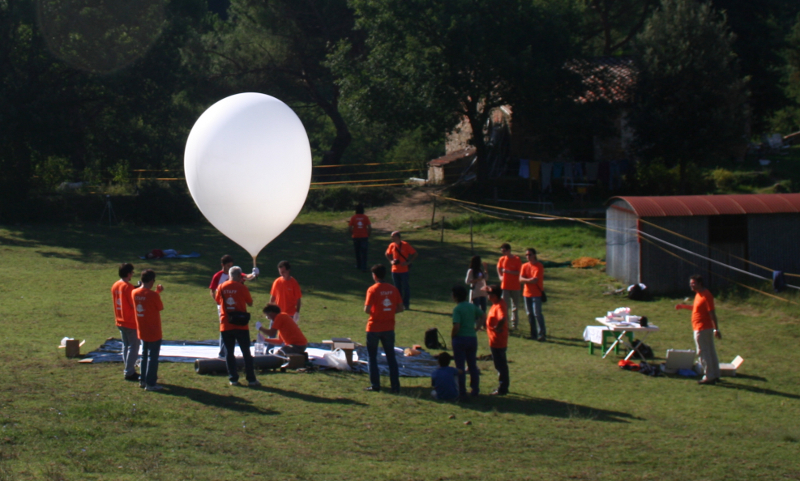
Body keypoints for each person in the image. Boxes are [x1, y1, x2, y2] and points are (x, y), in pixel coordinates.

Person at [215, 266, 260, 387]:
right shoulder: (242, 287)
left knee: (229, 352)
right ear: (240, 276)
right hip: (241, 324)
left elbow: (217, 300)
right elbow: (250, 303)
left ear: (229, 275)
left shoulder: (221, 286)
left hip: (226, 323)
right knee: (246, 352)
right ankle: (251, 379)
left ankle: (233, 378)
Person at [363, 264, 404, 393]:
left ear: (374, 276)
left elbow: (367, 309)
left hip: (374, 327)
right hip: (389, 327)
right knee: (391, 357)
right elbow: (400, 308)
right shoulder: (393, 289)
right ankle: (395, 386)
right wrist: (389, 312)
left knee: (372, 357)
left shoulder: (372, 289)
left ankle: (375, 385)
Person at [675, 275, 722, 385]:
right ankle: (715, 374)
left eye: (693, 283)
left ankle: (709, 376)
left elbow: (712, 313)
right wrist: (683, 306)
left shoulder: (706, 295)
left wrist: (716, 329)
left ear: (700, 283)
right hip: (701, 328)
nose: (691, 285)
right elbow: (696, 308)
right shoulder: (698, 295)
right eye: (690, 283)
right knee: (710, 352)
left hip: (702, 329)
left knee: (704, 353)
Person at [210, 255, 259, 358]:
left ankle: (238, 351)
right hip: (223, 307)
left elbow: (246, 276)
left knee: (237, 325)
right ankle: (223, 352)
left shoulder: (236, 274)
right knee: (225, 328)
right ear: (223, 265)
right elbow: (212, 290)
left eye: (231, 266)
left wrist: (254, 274)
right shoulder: (218, 276)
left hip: (237, 305)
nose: (230, 268)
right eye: (228, 266)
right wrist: (218, 302)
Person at [450, 285, 486, 400]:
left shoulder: (457, 309)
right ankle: (475, 389)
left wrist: (452, 336)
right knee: (472, 365)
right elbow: (483, 315)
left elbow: (457, 326)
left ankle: (462, 391)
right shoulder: (471, 306)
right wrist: (477, 327)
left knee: (460, 366)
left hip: (460, 338)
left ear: (455, 297)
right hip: (472, 338)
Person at [132, 269, 164, 391]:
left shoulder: (134, 292)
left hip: (142, 329)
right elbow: (159, 307)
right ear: (151, 280)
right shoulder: (153, 295)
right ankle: (151, 383)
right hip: (154, 330)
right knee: (153, 357)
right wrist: (158, 292)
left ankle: (143, 380)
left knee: (144, 355)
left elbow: (144, 298)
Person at [111, 263, 140, 381]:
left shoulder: (115, 285)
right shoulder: (128, 287)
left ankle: (128, 368)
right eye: (132, 273)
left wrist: (135, 288)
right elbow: (133, 303)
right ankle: (129, 371)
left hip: (120, 319)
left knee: (126, 346)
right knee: (134, 346)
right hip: (130, 321)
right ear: (128, 273)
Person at [485, 285, 510, 395]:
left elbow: (502, 318)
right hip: (494, 340)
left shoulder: (499, 306)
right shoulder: (497, 303)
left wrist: (498, 328)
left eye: (489, 293)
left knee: (500, 365)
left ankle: (503, 388)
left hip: (498, 341)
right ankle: (503, 386)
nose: (487, 295)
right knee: (500, 364)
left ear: (494, 296)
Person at [385, 231, 417, 310]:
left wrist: (408, 262)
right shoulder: (392, 245)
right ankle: (398, 304)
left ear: (397, 237)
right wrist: (391, 261)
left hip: (404, 271)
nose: (391, 238)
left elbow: (415, 253)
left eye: (392, 236)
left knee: (406, 287)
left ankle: (406, 304)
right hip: (394, 270)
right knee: (397, 288)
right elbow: (387, 253)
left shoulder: (405, 245)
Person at [519, 248, 546, 342]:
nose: (528, 256)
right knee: (530, 314)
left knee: (537, 314)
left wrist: (526, 280)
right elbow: (520, 279)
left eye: (529, 254)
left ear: (534, 255)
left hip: (536, 294)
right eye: (526, 255)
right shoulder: (524, 266)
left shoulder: (539, 266)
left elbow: (535, 280)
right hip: (526, 293)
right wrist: (528, 280)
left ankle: (541, 334)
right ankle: (533, 334)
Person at [496, 243, 522, 329]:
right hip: (505, 286)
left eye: (504, 251)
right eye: (502, 251)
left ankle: (514, 324)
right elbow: (499, 267)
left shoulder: (516, 259)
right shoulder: (502, 259)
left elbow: (519, 272)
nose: (503, 252)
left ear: (509, 250)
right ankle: (505, 324)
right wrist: (500, 276)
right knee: (504, 306)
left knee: (515, 307)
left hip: (515, 286)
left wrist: (507, 272)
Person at [349, 204, 372, 271]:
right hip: (364, 237)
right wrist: (368, 234)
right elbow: (369, 227)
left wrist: (352, 233)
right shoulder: (365, 217)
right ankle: (364, 267)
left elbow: (350, 228)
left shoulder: (353, 217)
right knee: (364, 252)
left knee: (357, 252)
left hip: (356, 237)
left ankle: (358, 265)